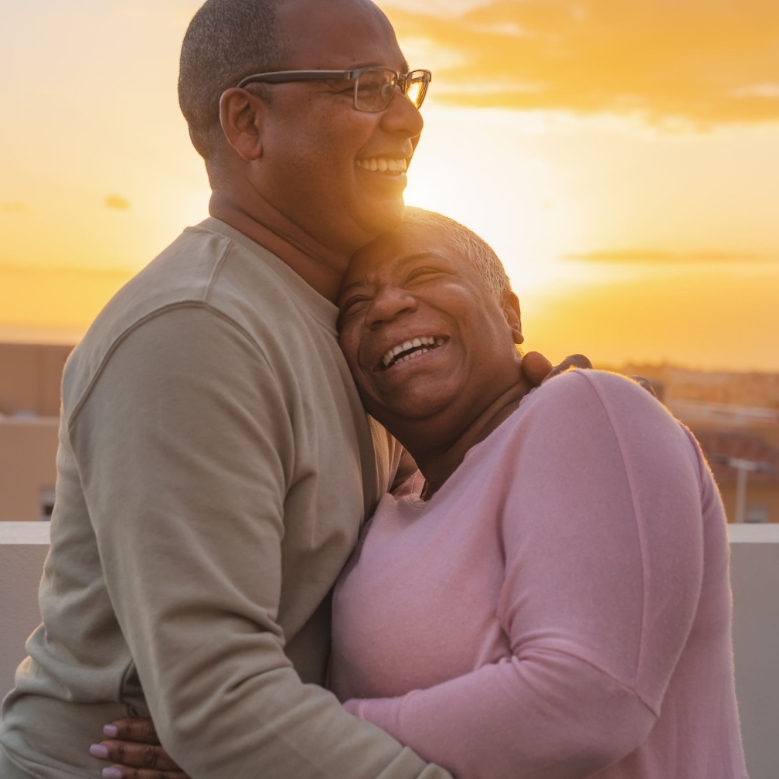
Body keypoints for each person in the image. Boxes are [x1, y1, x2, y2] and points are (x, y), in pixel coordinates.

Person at [0, 2, 576, 778]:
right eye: (365, 85)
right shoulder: (196, 332)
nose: (407, 118)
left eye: (406, 84)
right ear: (246, 122)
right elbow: (219, 697)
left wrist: (538, 419)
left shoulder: (346, 321)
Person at [100, 209, 748, 779]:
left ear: (510, 312)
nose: (384, 307)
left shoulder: (584, 408)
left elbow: (586, 699)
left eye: (420, 275)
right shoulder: (388, 506)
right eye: (354, 307)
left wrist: (268, 750)